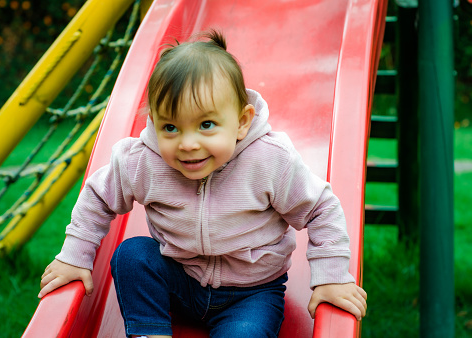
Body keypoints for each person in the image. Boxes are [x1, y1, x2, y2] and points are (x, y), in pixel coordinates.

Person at [39, 30, 367, 338]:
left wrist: (331, 278)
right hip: (179, 280)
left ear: (241, 122)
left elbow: (321, 208)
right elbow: (97, 195)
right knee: (133, 255)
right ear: (153, 120)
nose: (188, 143)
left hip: (250, 294)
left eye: (206, 124)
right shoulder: (142, 161)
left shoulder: (268, 161)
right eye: (170, 127)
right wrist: (74, 256)